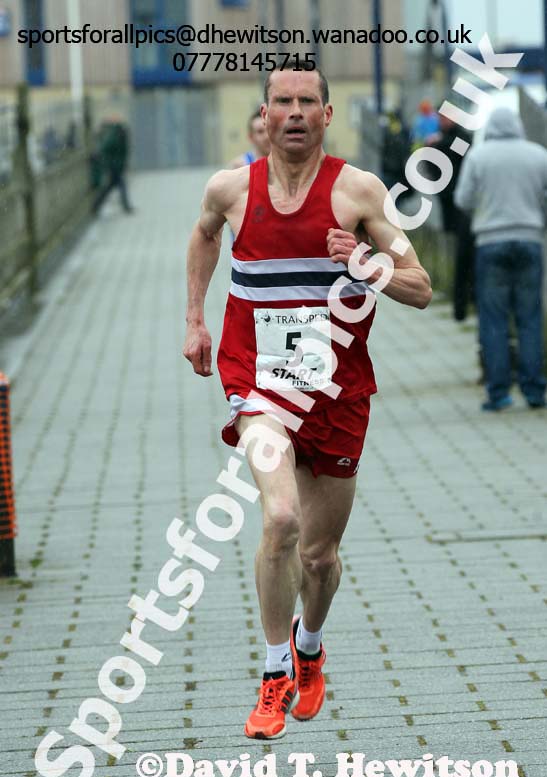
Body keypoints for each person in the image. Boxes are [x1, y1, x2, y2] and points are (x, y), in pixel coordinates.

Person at [183, 62, 432, 740]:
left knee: (319, 558)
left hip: (336, 392)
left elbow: (420, 286)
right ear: (263, 115)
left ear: (326, 114)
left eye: (306, 102)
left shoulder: (359, 192)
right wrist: (195, 320)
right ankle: (271, 675)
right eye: (281, 102)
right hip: (257, 382)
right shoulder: (230, 189)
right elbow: (204, 234)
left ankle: (309, 648)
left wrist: (365, 262)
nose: (292, 113)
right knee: (280, 519)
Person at [455, 107, 547, 411]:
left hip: (490, 243)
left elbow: (463, 199)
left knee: (494, 320)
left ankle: (498, 393)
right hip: (530, 240)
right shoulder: (537, 155)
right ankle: (534, 391)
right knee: (529, 318)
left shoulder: (479, 157)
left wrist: (488, 209)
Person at [431, 114, 475, 321]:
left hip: (463, 207)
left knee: (464, 258)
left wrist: (436, 145)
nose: (442, 122)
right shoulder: (443, 138)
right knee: (459, 256)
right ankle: (463, 304)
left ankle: (466, 304)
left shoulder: (461, 137)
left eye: (445, 118)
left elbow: (453, 152)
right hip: (449, 203)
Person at [92, 114, 134, 216]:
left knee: (111, 187)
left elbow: (105, 147)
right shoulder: (118, 133)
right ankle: (125, 206)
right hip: (115, 165)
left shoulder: (115, 133)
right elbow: (107, 147)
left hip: (114, 165)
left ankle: (96, 206)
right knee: (118, 186)